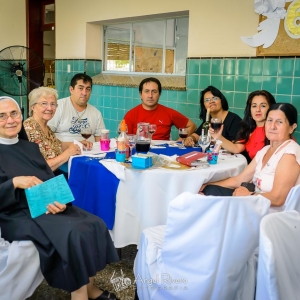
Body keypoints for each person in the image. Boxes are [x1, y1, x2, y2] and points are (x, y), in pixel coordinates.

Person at [0, 96, 119, 299]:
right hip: (15, 212)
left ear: (21, 115)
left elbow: (49, 178)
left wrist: (60, 201)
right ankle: (79, 294)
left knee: (94, 223)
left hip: (46, 205)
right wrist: (14, 182)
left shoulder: (29, 147)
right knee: (73, 232)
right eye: (2, 116)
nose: (10, 120)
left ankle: (91, 289)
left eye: (14, 114)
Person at [201, 103, 300, 212]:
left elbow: (278, 199)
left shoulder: (289, 154)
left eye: (279, 122)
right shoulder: (265, 150)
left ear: (292, 128)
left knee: (211, 205)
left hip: (270, 213)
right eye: (269, 120)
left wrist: (249, 195)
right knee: (209, 191)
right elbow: (239, 180)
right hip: (254, 203)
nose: (272, 126)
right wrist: (207, 184)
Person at [23, 87, 91, 175]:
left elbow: (57, 145)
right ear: (33, 107)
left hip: (53, 175)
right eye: (44, 104)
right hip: (41, 181)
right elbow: (39, 168)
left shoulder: (45, 127)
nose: (50, 108)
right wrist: (67, 154)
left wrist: (77, 143)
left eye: (53, 104)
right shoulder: (30, 128)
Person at [209, 90, 276, 163]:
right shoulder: (249, 130)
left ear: (271, 108)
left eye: (263, 106)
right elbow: (236, 148)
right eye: (254, 106)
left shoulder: (274, 131)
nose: (258, 110)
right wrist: (218, 137)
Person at [124, 77, 196, 140]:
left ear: (159, 95)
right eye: (147, 91)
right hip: (140, 151)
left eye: (154, 92)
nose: (150, 96)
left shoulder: (168, 112)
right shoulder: (131, 115)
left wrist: (178, 142)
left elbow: (192, 126)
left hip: (163, 153)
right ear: (140, 95)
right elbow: (125, 140)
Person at [48, 73, 105, 142]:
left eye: (88, 89)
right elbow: (47, 134)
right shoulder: (58, 107)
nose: (84, 93)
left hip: (90, 151)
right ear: (71, 90)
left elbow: (100, 140)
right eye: (80, 88)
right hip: (64, 151)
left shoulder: (96, 113)